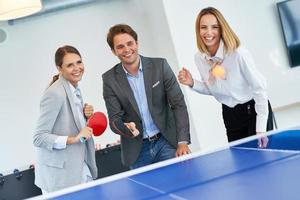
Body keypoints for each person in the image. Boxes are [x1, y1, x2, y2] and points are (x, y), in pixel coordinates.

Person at [178, 7, 273, 147]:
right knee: (241, 162)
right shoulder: (200, 58)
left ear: (222, 29)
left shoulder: (238, 54)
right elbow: (213, 89)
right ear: (198, 31)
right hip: (229, 114)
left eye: (214, 27)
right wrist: (192, 82)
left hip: (253, 110)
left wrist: (260, 129)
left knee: (264, 159)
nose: (208, 32)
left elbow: (259, 89)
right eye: (203, 27)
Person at [102, 24, 191, 169]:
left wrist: (182, 142)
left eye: (130, 43)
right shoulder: (109, 79)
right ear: (113, 51)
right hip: (137, 152)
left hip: (166, 142)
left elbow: (178, 104)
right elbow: (114, 119)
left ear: (137, 43)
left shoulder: (160, 66)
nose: (126, 49)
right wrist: (126, 128)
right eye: (120, 47)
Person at [33, 45, 98, 193]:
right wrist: (74, 139)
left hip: (79, 166)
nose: (76, 68)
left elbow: (69, 124)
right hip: (60, 178)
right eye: (70, 65)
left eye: (79, 62)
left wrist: (85, 116)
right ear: (59, 68)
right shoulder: (55, 93)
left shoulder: (74, 88)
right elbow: (39, 138)